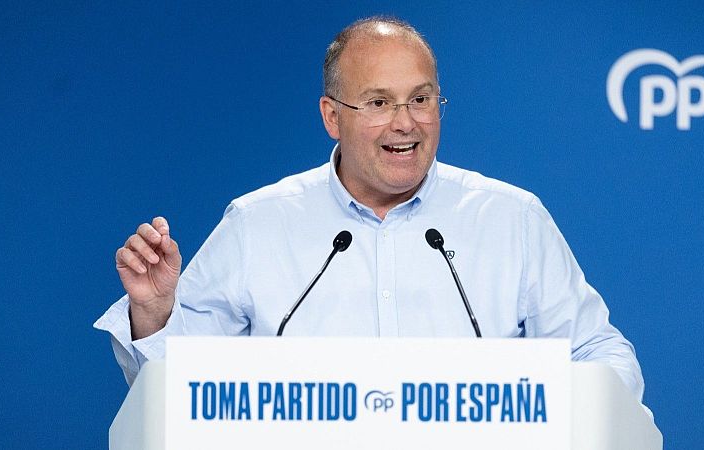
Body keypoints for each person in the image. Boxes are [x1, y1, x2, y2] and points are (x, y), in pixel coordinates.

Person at [95, 17, 645, 401]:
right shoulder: (258, 224)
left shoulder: (510, 218)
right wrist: (155, 312)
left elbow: (599, 351)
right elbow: (182, 394)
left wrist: (581, 415)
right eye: (379, 103)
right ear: (332, 117)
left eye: (421, 99)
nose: (406, 122)